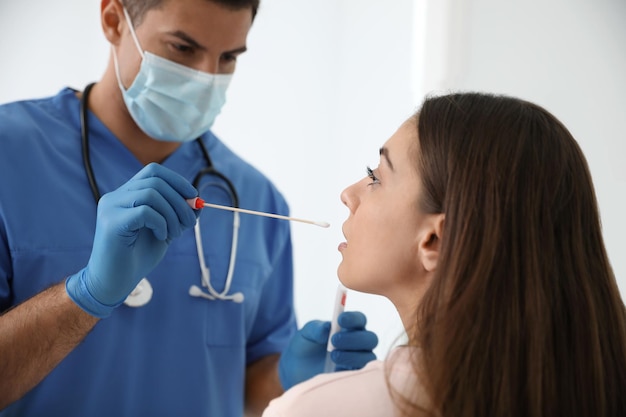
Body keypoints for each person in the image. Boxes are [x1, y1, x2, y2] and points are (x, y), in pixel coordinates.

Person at [0, 0, 378, 415]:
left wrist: (292, 380)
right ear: (112, 20)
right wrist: (85, 295)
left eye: (228, 57)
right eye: (182, 48)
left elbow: (245, 390)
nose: (206, 76)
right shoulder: (11, 155)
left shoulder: (255, 199)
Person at [263, 92, 626, 417]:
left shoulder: (317, 408)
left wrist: (312, 399)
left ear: (434, 240)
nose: (348, 194)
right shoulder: (598, 386)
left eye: (375, 177)